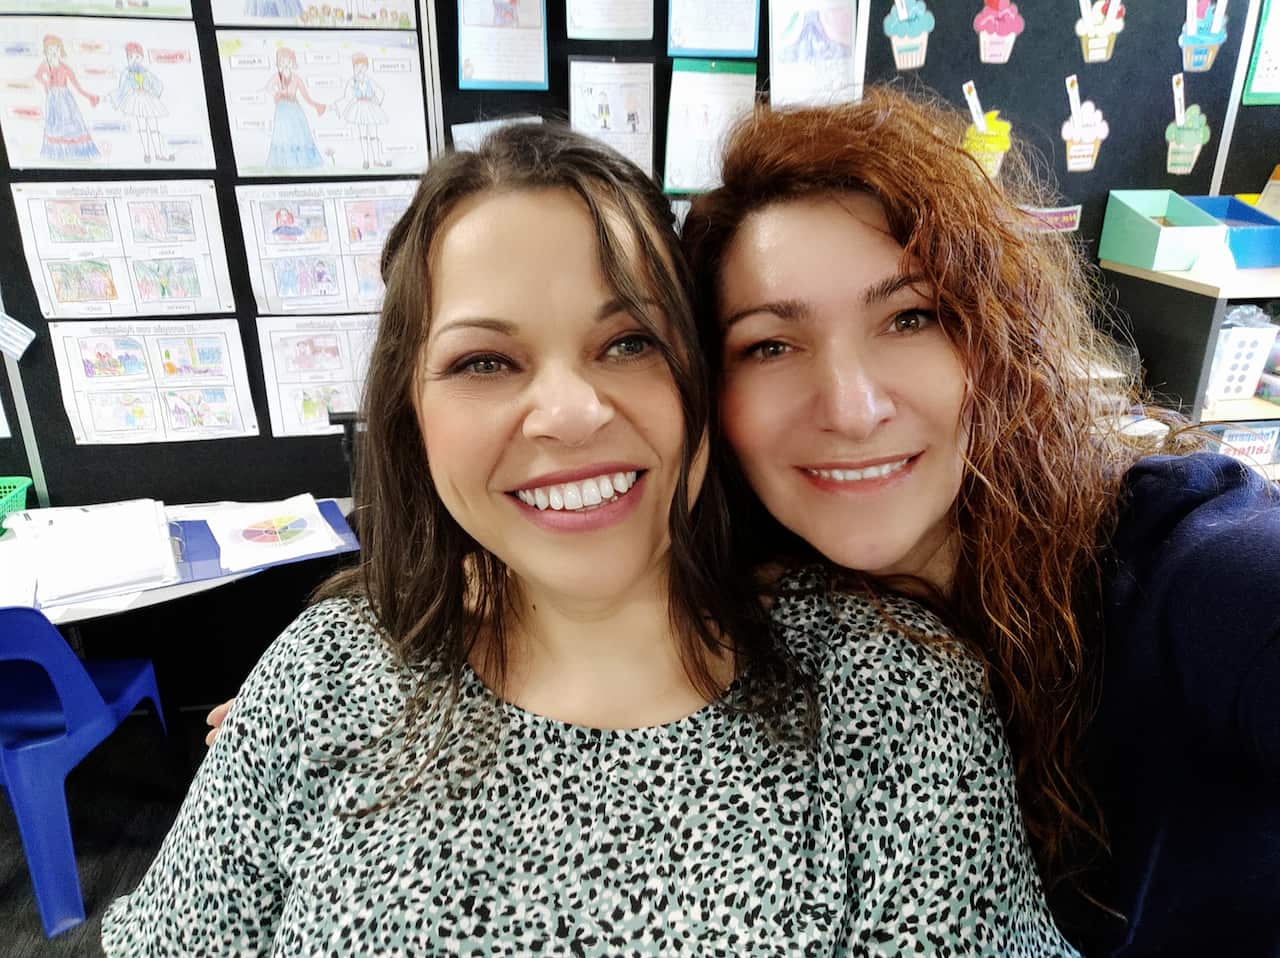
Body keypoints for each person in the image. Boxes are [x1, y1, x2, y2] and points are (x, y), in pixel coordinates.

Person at [109, 123, 1074, 954]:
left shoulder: (895, 703)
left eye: (628, 343)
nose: (569, 414)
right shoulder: (321, 677)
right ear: (412, 413)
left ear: (700, 381)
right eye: (486, 361)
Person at [680, 86, 1280, 956]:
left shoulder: (1180, 572)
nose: (851, 410)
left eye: (910, 317)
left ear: (991, 342)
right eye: (770, 344)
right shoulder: (749, 628)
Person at [35, 34, 100, 161]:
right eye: (50, 50)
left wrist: (89, 96)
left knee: (70, 124)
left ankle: (73, 153)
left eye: (56, 49)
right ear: (46, 51)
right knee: (54, 124)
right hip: (52, 99)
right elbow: (37, 76)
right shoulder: (44, 64)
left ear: (60, 50)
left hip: (65, 100)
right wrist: (45, 83)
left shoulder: (66, 68)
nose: (53, 52)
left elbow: (77, 86)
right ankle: (58, 153)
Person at [109, 42, 172, 163]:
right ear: (128, 58)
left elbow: (157, 83)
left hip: (148, 98)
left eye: (137, 57)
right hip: (136, 99)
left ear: (141, 57)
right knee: (142, 128)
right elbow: (122, 88)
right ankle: (147, 154)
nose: (135, 60)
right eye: (131, 57)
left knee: (154, 128)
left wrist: (152, 92)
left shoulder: (146, 72)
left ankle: (159, 154)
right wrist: (117, 97)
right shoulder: (126, 72)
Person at [265, 47, 326, 170]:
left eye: (288, 61)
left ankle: (301, 163)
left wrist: (316, 105)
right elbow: (268, 87)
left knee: (299, 134)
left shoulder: (297, 78)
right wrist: (277, 93)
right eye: (282, 61)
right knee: (283, 134)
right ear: (278, 62)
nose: (285, 64)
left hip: (294, 109)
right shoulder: (277, 76)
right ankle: (284, 163)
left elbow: (305, 95)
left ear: (292, 62)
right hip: (282, 109)